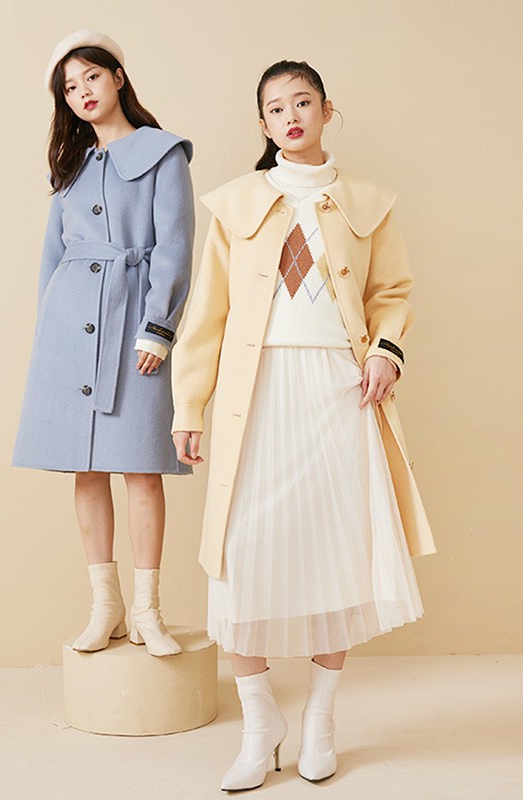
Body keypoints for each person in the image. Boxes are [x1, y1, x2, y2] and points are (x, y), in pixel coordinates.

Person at [172, 60, 436, 789]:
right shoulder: (235, 205)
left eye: (303, 102)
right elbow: (207, 315)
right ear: (262, 123)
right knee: (242, 553)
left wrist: (386, 352)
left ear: (326, 110)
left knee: (334, 550)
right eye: (275, 107)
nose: (290, 116)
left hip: (337, 394)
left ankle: (320, 720)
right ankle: (261, 726)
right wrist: (189, 405)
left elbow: (392, 293)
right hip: (254, 395)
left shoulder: (368, 204)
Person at [13, 30, 195, 658]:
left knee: (142, 466)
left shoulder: (163, 154)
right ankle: (105, 606)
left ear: (117, 76)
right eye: (70, 87)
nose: (83, 92)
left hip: (134, 321)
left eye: (91, 76)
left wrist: (159, 327)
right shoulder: (69, 168)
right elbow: (52, 257)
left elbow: (175, 246)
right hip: (70, 330)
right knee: (86, 468)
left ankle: (148, 610)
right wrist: (49, 334)